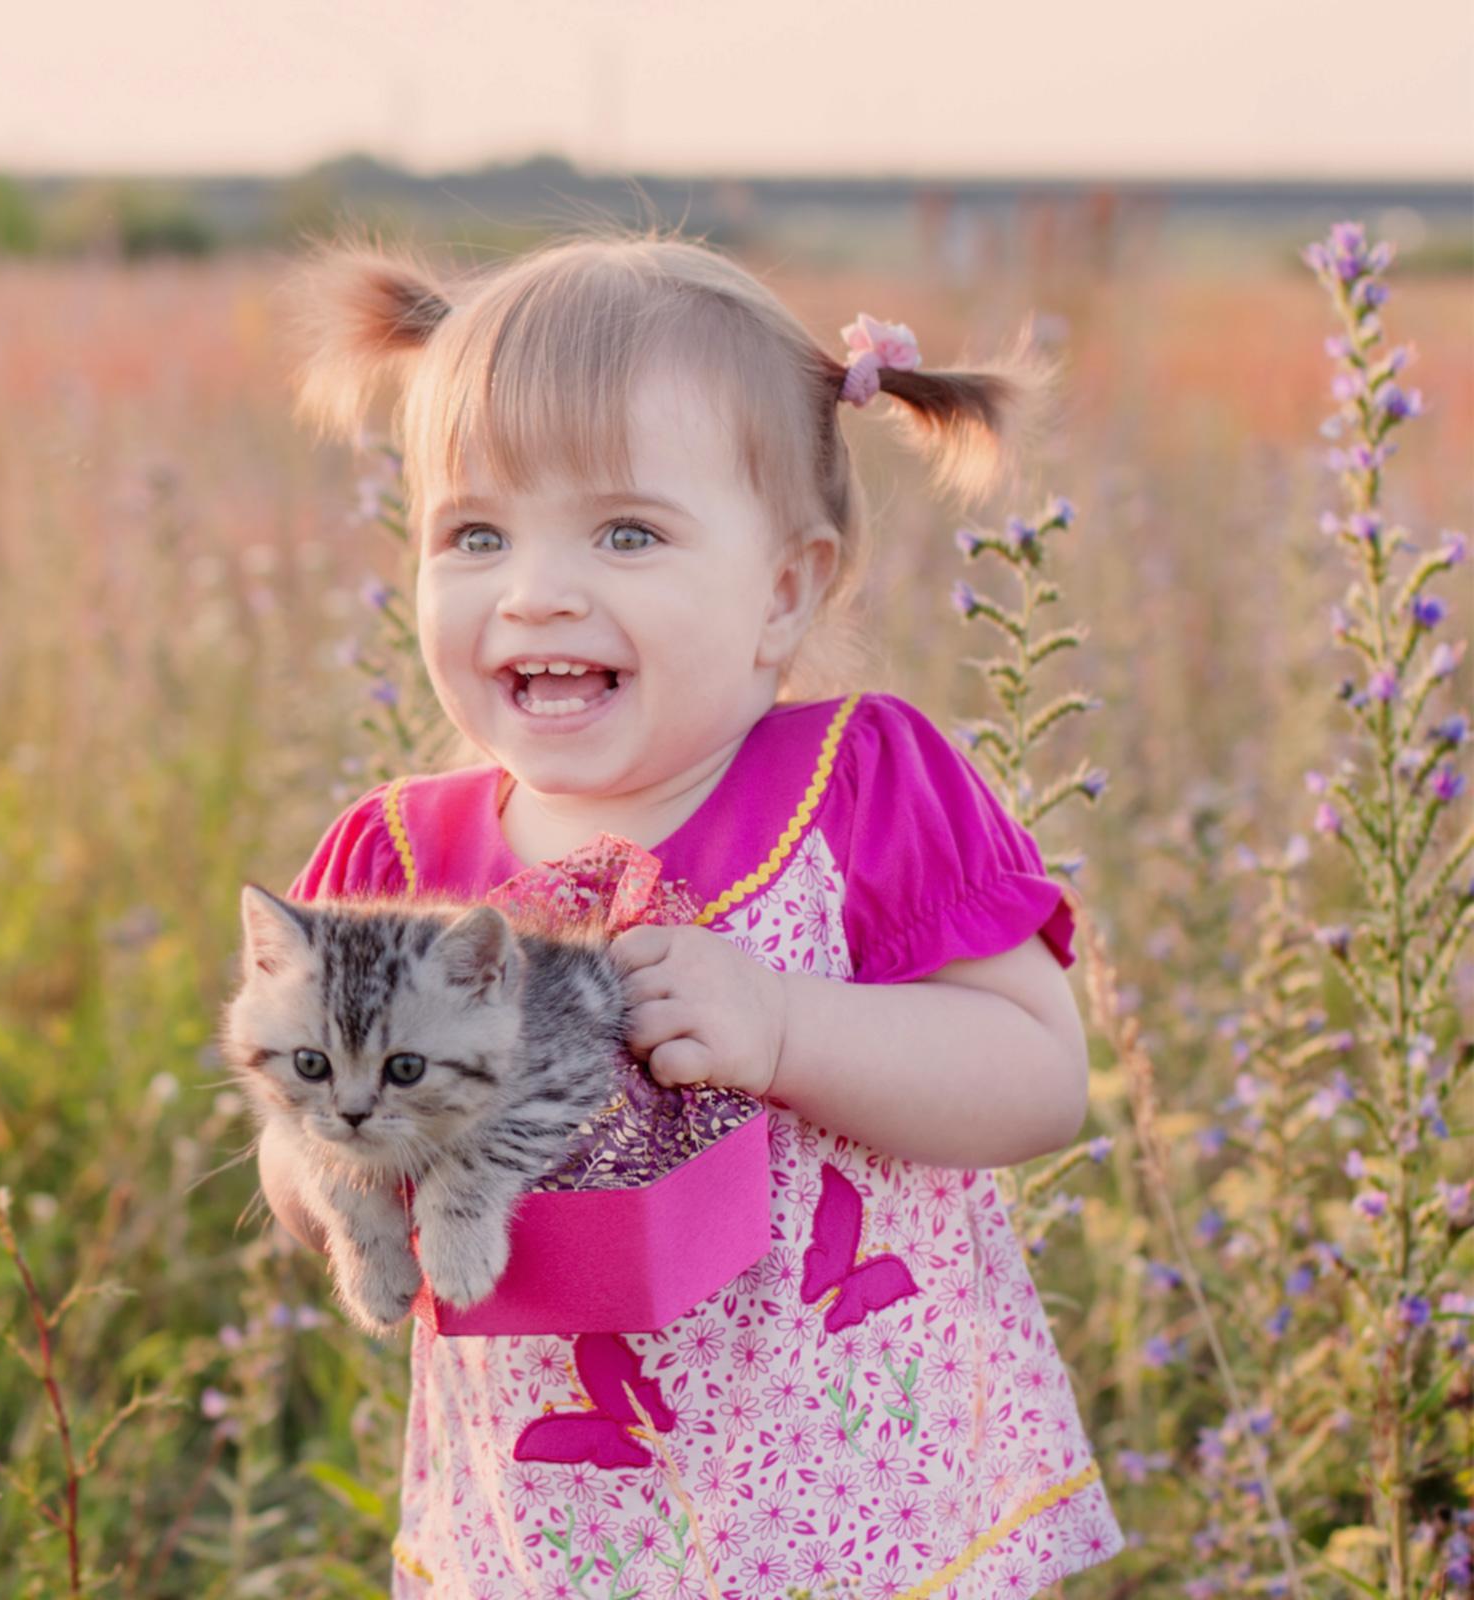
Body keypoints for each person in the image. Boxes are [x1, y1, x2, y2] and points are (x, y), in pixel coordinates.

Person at [263, 229, 1126, 1598]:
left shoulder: (860, 787)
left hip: (868, 1513)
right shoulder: (397, 865)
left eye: (626, 532)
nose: (534, 587)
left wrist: (783, 1026)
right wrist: (340, 1177)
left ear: (785, 589)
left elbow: (1037, 1079)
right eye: (474, 533)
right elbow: (303, 1154)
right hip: (556, 1532)